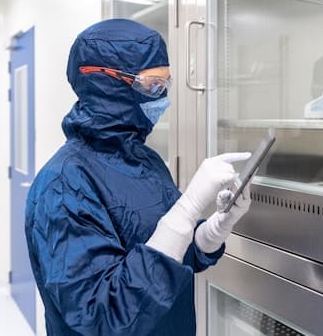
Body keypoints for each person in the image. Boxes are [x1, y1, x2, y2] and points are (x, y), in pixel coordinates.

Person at [25, 19, 252, 335]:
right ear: (105, 84)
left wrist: (210, 233)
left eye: (165, 85)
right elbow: (103, 315)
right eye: (152, 85)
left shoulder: (146, 160)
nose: (162, 98)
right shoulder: (63, 184)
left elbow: (164, 259)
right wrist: (186, 210)